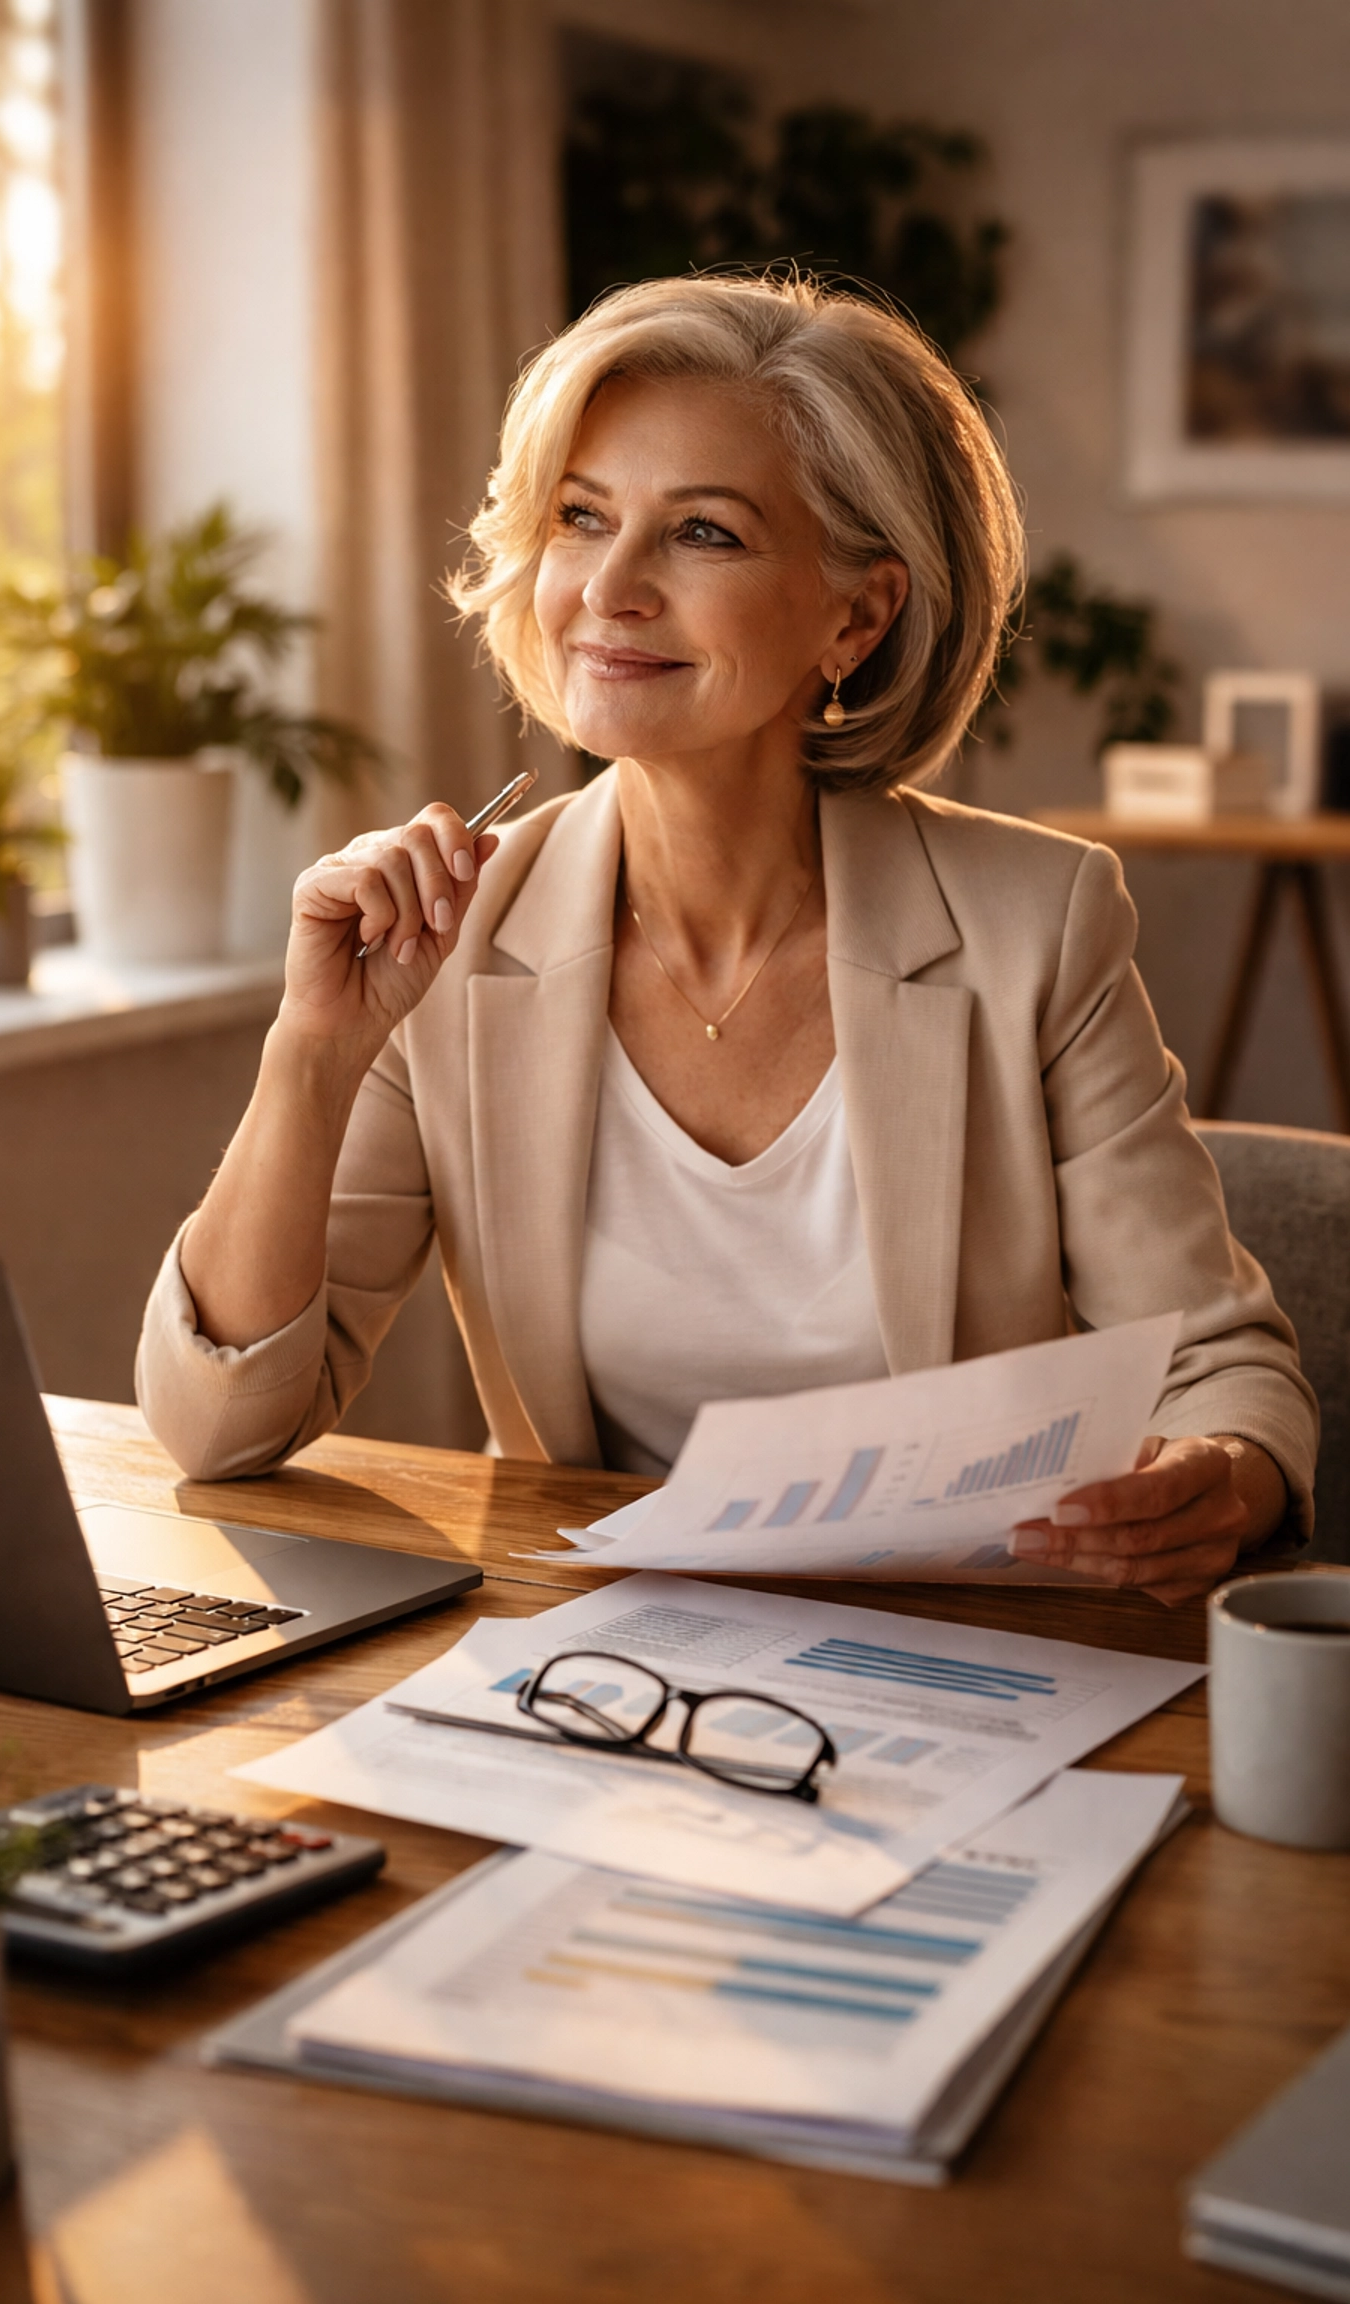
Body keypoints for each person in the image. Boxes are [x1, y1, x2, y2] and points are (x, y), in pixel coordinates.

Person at [136, 273, 1316, 1607]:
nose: (610, 589)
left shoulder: (1033, 927)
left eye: (703, 533)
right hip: (586, 1663)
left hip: (962, 1657)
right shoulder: (456, 939)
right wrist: (313, 1053)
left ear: (855, 618)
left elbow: (1227, 1375)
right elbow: (219, 1433)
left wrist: (1216, 1473)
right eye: (583, 518)